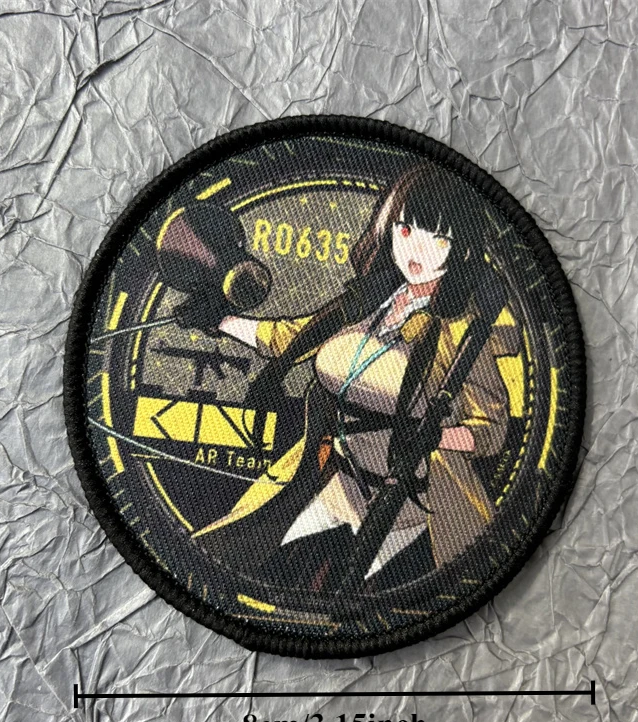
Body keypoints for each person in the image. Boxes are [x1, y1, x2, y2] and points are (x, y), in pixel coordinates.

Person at [187, 163, 521, 591]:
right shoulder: (371, 299)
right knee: (254, 569)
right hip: (330, 484)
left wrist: (432, 437)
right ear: (387, 227)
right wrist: (220, 321)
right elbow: (290, 337)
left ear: (462, 249)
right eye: (405, 231)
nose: (416, 252)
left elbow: (490, 429)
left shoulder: (463, 330)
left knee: (362, 600)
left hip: (410, 508)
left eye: (438, 239)